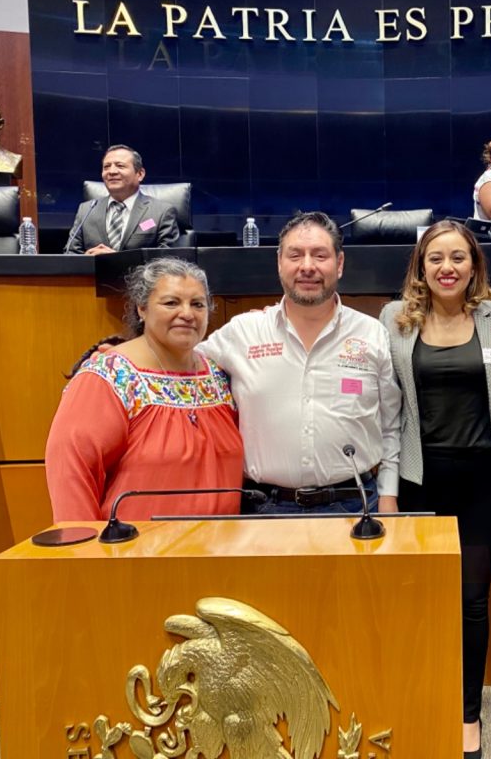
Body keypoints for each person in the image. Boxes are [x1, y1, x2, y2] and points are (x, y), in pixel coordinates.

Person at [379, 220, 491, 759]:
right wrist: (387, 491)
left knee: (471, 601)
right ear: (420, 265)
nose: (447, 267)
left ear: (474, 265)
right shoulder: (394, 319)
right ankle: (420, 696)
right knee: (420, 599)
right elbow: (388, 412)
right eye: (436, 257)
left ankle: (467, 714)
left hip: (486, 479)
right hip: (418, 480)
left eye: (458, 257)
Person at [197, 211, 401, 514]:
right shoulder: (242, 332)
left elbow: (390, 425)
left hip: (355, 506)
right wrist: (117, 349)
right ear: (279, 262)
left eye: (320, 255)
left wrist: (388, 495)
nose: (307, 267)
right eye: (295, 255)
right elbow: (179, 363)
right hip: (263, 509)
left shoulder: (372, 334)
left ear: (340, 264)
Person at [46, 257, 244, 521]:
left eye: (197, 304)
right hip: (136, 555)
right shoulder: (110, 376)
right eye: (171, 302)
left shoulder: (218, 376)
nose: (187, 314)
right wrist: (82, 552)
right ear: (142, 308)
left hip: (221, 553)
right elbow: (71, 471)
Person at [64, 145, 180, 255]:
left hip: (140, 276)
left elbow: (168, 261)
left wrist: (118, 260)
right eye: (106, 167)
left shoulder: (161, 212)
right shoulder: (86, 210)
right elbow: (70, 254)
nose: (112, 171)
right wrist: (86, 260)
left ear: (140, 174)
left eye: (120, 166)